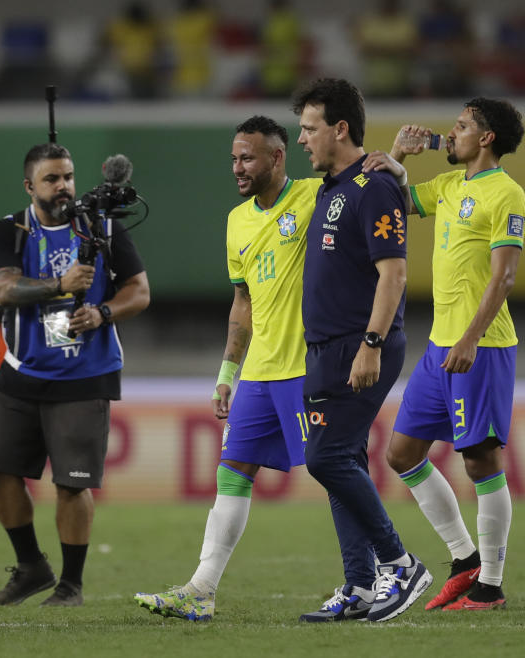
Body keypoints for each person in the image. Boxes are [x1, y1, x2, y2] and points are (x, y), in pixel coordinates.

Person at [134, 116, 321, 621]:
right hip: (259, 371)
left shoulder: (313, 196)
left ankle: (388, 566)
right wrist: (227, 373)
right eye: (233, 158)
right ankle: (201, 589)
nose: (237, 168)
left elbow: (362, 182)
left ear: (278, 157)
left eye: (248, 158)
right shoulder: (237, 220)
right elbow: (243, 302)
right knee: (233, 472)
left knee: (337, 470)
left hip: (307, 366)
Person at [362, 97, 525, 610]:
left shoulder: (507, 194)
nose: (449, 133)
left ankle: (491, 585)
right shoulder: (451, 187)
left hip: (481, 347)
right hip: (439, 348)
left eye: (459, 127)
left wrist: (471, 337)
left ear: (486, 138)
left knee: (480, 460)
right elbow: (397, 202)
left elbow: (505, 275)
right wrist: (401, 156)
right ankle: (464, 560)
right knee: (401, 454)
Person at [0, 142, 150, 606]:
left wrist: (103, 314)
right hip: (21, 369)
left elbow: (139, 291)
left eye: (68, 176)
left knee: (72, 484)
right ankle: (31, 566)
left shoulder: (102, 228)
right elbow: (3, 289)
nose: (63, 186)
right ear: (30, 186)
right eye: (52, 179)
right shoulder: (7, 231)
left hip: (85, 374)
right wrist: (59, 285)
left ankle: (71, 584)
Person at [292, 77, 431, 623]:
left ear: (339, 128)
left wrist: (371, 344)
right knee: (339, 462)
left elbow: (393, 274)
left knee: (324, 457)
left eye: (309, 129)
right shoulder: (336, 185)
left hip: (359, 345)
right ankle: (360, 584)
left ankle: (400, 564)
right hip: (326, 347)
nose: (302, 139)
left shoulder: (373, 188)